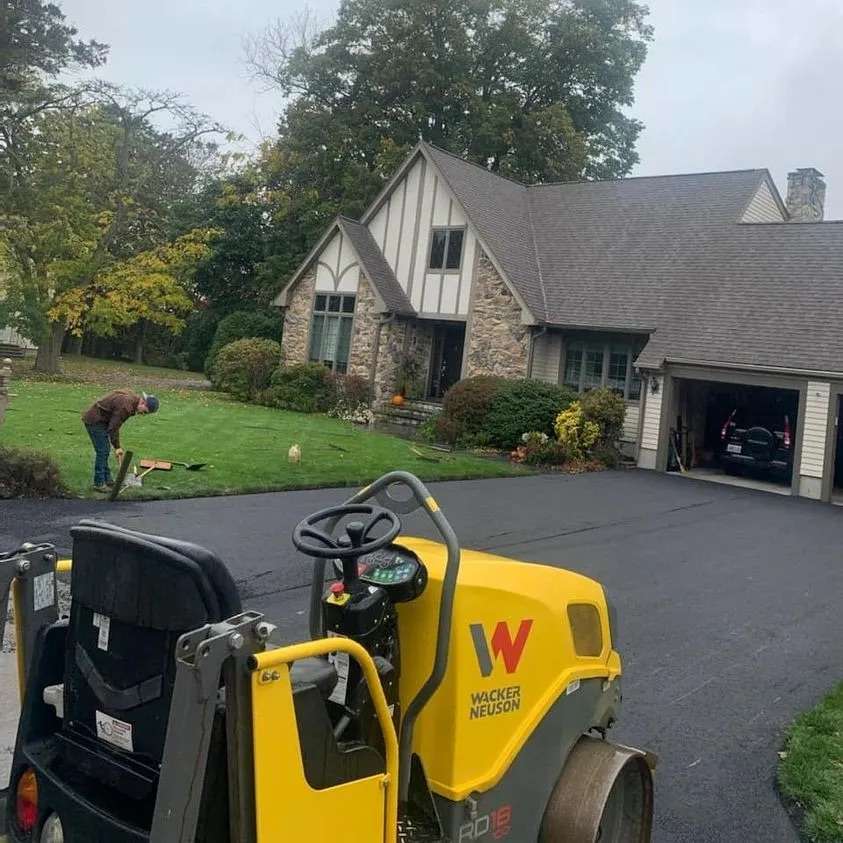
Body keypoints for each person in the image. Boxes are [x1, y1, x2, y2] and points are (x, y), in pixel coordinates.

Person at [81, 390, 159, 492]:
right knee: (103, 451)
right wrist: (117, 447)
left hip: (102, 420)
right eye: (145, 412)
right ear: (143, 403)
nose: (142, 414)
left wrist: (116, 445)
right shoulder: (126, 407)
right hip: (95, 421)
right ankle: (99, 483)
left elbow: (114, 424)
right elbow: (113, 428)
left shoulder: (132, 402)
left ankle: (108, 480)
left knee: (105, 450)